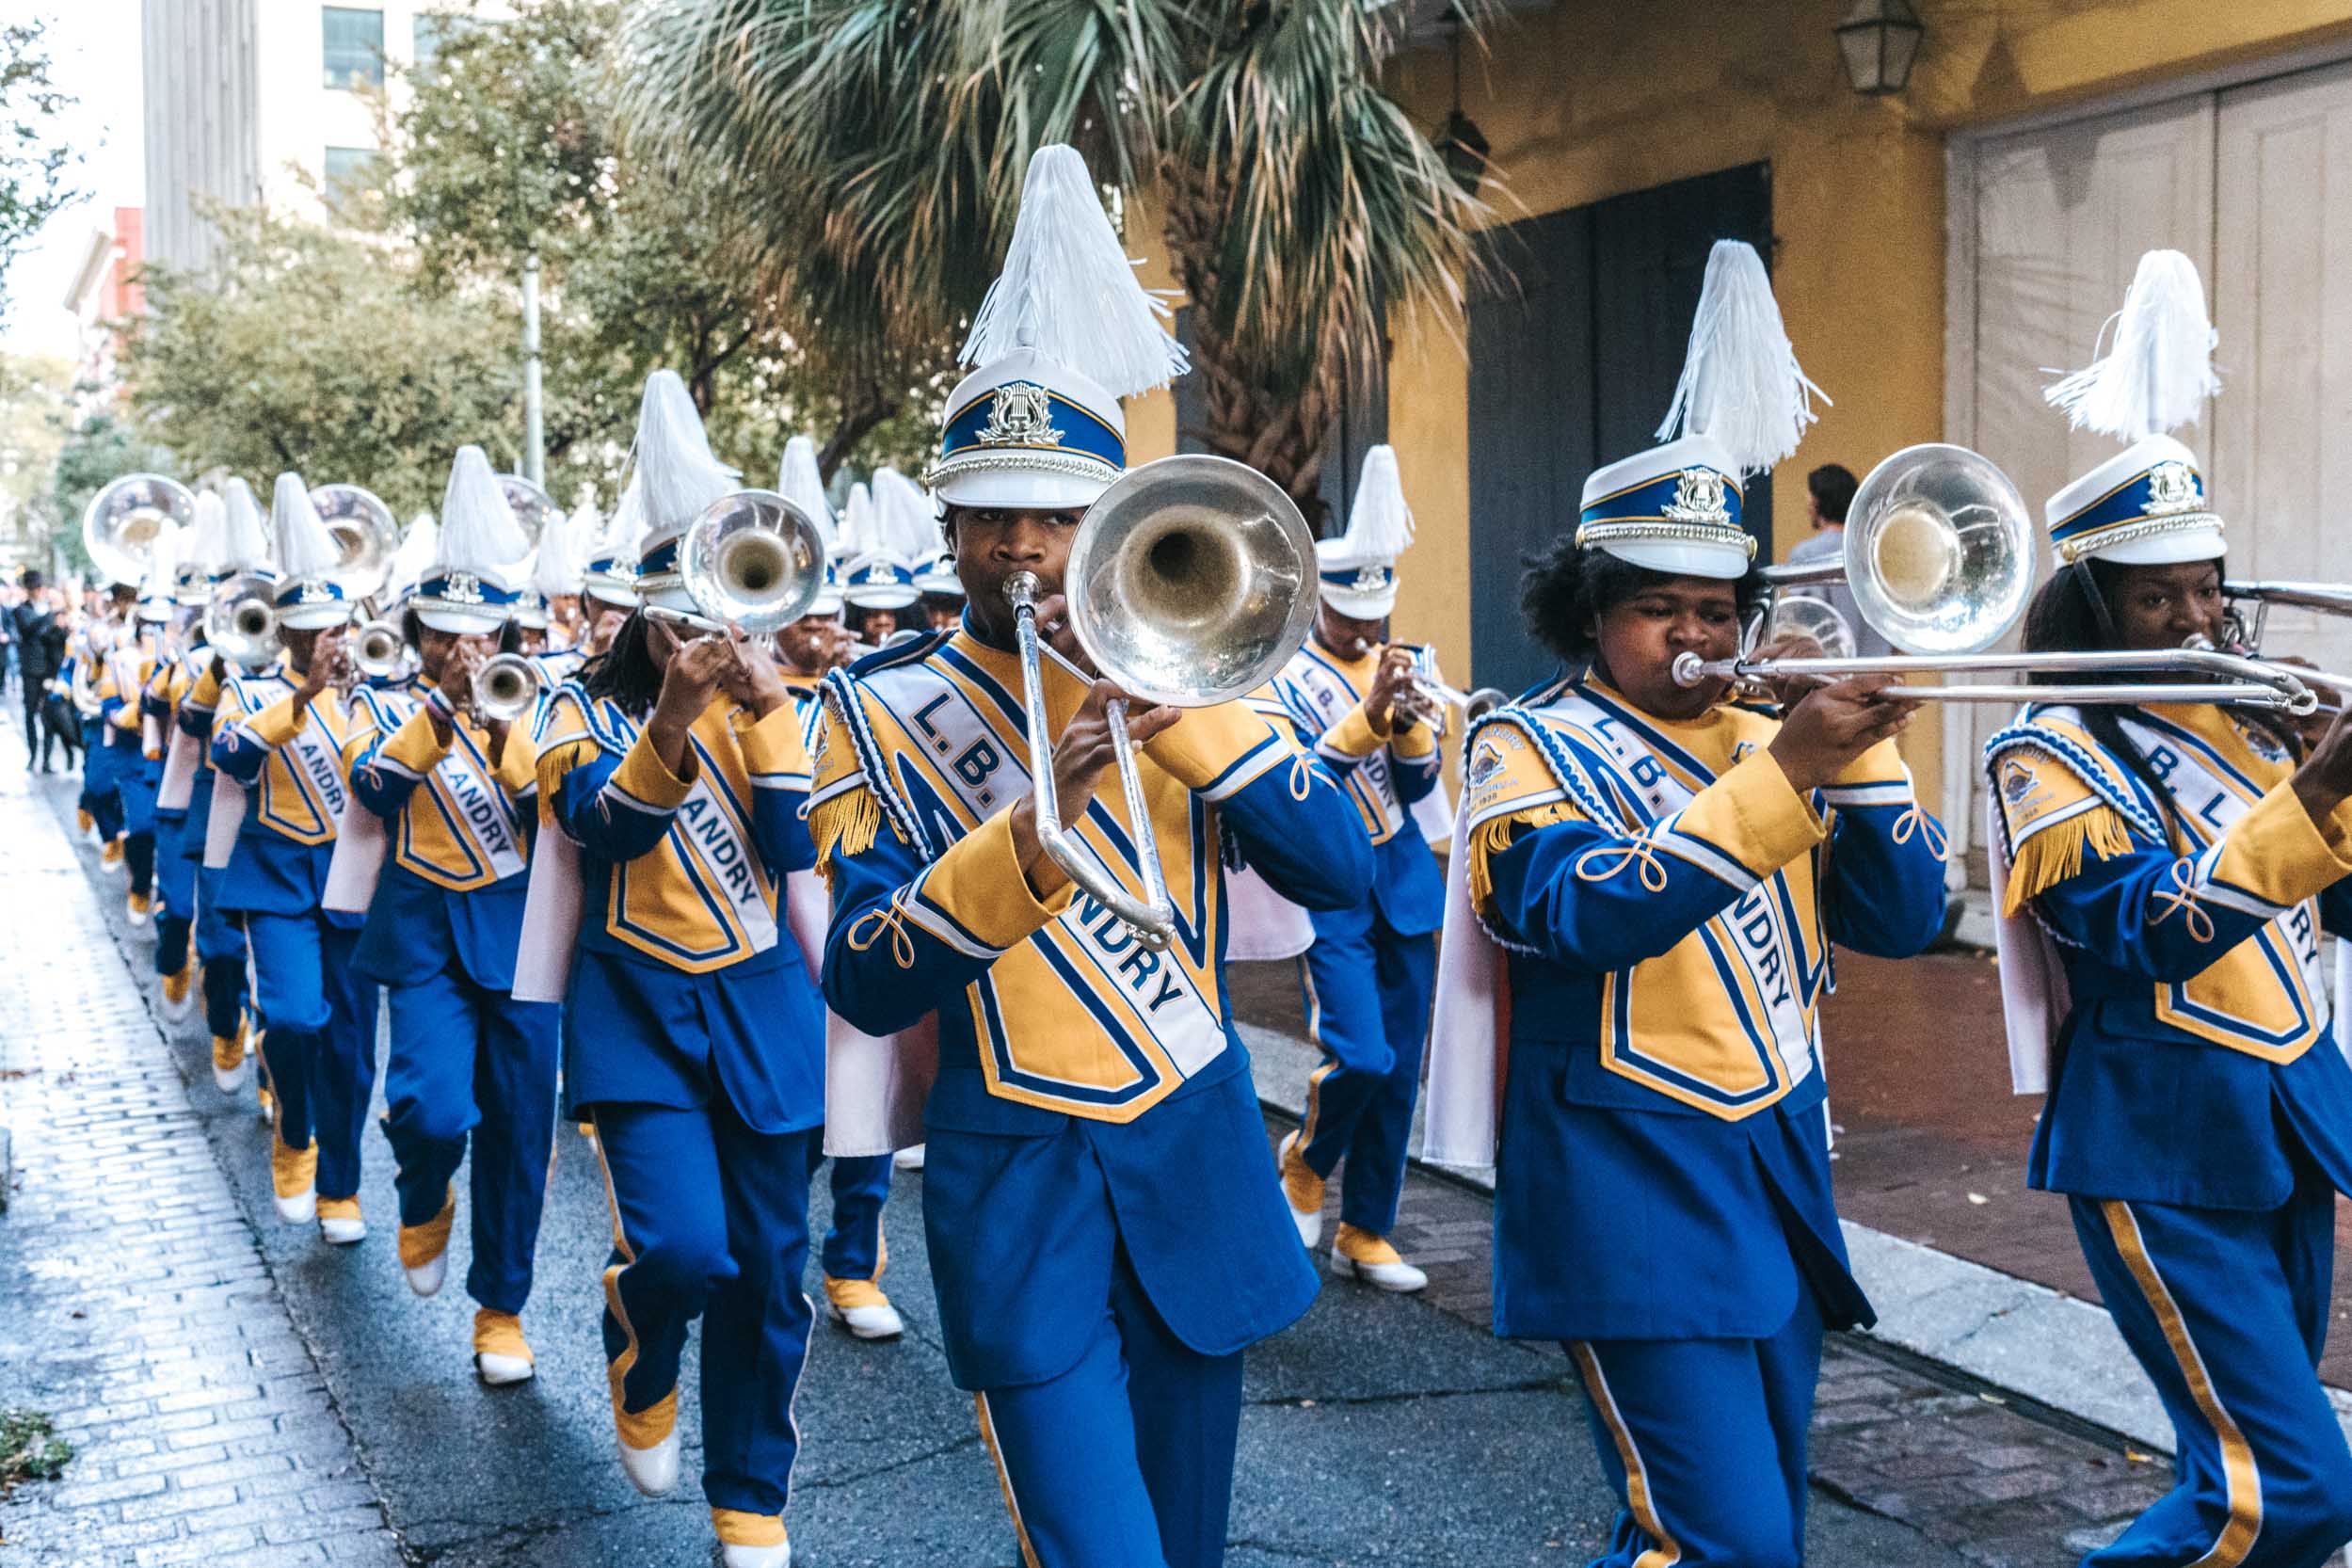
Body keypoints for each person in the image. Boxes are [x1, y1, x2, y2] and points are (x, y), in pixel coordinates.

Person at [814, 144, 1370, 1568]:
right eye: (989, 517)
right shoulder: (870, 713)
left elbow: (1337, 870)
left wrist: (1186, 721)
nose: (1019, 548)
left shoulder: (1202, 675)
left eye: (1054, 517)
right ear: (946, 529)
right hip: (1015, 1187)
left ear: (1108, 528)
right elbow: (866, 979)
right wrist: (1024, 839)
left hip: (1189, 1158)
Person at [1425, 239, 1947, 1568]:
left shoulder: (1764, 734)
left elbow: (1894, 920)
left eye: (1715, 611)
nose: (1695, 641)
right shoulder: (1516, 745)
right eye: (1656, 610)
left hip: (1769, 1169)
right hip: (1621, 1185)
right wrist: (1788, 766)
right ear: (1587, 615)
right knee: (1724, 1541)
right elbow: (1585, 911)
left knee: (1726, 1529)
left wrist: (1867, 750)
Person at [1986, 249, 2352, 1568]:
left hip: (2290, 1117)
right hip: (2156, 1139)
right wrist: (2313, 795)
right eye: (2159, 596)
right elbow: (2145, 930)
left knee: (2232, 1480)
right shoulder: (2044, 747)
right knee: (2297, 1493)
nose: (2198, 616)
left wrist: (2325, 769)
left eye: (2207, 586)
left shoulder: (2252, 718)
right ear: (2097, 606)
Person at [536, 371, 825, 1568]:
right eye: (670, 604)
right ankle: (638, 1334)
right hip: (637, 1013)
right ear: (634, 611)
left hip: (764, 1009)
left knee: (767, 1270)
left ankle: (750, 1492)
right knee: (683, 1250)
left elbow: (801, 848)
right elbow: (605, 827)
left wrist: (765, 715)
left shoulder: (793, 702)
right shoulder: (571, 709)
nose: (696, 626)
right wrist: (670, 718)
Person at [344, 445, 558, 1385]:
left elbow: (556, 807)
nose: (458, 649)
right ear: (420, 630)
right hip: (427, 934)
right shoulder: (388, 704)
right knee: (429, 1107)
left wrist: (506, 725)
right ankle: (423, 1190)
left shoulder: (548, 706)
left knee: (518, 1132)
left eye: (475, 634)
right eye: (441, 632)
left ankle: (501, 1309)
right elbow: (375, 787)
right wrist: (439, 709)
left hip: (524, 939)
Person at [1269, 444, 1442, 1290]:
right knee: (1361, 1055)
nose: (1362, 629)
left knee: (1400, 1070)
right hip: (1328, 885)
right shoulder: (1281, 674)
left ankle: (1366, 1228)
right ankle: (1304, 1159)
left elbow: (1418, 786)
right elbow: (1296, 787)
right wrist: (1366, 720)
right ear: (1317, 605)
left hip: (1403, 881)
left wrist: (1410, 720)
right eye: (1345, 615)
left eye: (1372, 613)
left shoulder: (1402, 658)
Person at [211, 474, 380, 1242]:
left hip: (355, 885)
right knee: (291, 1019)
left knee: (349, 1045)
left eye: (335, 628)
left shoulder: (379, 694)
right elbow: (233, 757)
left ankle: (341, 1187)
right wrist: (307, 698)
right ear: (284, 634)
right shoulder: (247, 690)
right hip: (278, 878)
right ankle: (293, 1136)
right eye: (310, 631)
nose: (327, 644)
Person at [181, 476, 272, 1096]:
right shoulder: (200, 654)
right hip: (220, 814)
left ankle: (276, 1075)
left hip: (282, 827)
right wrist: (220, 659)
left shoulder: (301, 660)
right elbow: (190, 721)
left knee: (277, 960)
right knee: (218, 946)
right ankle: (224, 1026)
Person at [1781, 462, 1890, 660]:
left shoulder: (1805, 554)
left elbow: (1804, 625)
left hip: (1832, 676)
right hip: (1877, 674)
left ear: (1816, 502)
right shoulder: (1871, 551)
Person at [15, 571, 58, 766]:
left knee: (48, 714)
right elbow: (29, 629)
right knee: (30, 712)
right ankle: (33, 755)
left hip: (48, 669)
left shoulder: (49, 611)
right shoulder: (21, 610)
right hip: (31, 669)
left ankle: (47, 760)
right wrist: (49, 615)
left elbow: (52, 636)